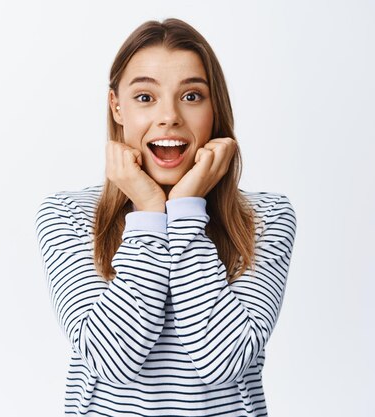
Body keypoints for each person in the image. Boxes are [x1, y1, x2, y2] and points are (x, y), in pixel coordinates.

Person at [34, 17, 297, 417]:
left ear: (215, 108)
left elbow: (221, 362)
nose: (169, 116)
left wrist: (187, 206)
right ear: (116, 107)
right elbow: (111, 362)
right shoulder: (67, 216)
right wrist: (149, 210)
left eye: (191, 96)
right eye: (145, 97)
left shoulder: (266, 218)